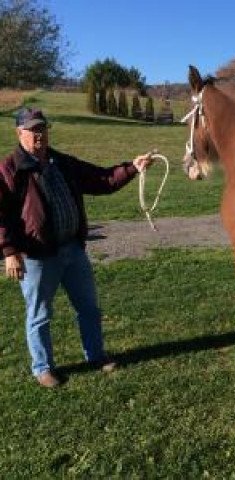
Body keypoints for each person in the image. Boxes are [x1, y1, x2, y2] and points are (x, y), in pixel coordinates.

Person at [0, 107, 153, 388]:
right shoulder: (10, 168)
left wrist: (132, 167)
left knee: (89, 308)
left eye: (43, 128)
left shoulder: (61, 161)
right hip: (37, 256)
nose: (39, 134)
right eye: (33, 129)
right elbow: (2, 214)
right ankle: (43, 367)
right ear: (19, 132)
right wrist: (10, 252)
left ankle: (95, 355)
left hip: (72, 249)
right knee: (39, 315)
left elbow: (100, 179)